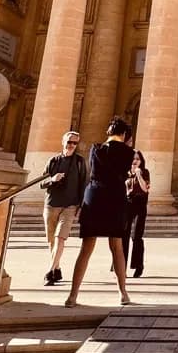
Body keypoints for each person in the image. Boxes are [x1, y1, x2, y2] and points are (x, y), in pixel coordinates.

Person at [65, 118, 134, 307]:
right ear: (124, 135)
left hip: (95, 195)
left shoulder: (96, 149)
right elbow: (123, 173)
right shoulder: (129, 153)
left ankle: (72, 296)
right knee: (117, 247)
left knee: (86, 249)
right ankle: (123, 293)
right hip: (115, 196)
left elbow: (93, 171)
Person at [38, 131, 87, 286]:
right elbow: (41, 182)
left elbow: (83, 185)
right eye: (69, 142)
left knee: (60, 238)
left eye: (75, 143)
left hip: (70, 206)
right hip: (51, 204)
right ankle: (57, 268)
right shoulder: (53, 161)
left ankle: (50, 271)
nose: (71, 145)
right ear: (63, 142)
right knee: (51, 240)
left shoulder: (80, 162)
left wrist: (81, 206)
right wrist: (52, 179)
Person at [122, 150, 150, 278]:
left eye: (138, 158)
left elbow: (145, 189)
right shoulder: (125, 172)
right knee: (124, 236)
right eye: (133, 158)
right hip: (127, 205)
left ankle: (138, 266)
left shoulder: (145, 172)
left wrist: (139, 175)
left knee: (136, 236)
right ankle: (121, 267)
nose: (135, 161)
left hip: (140, 205)